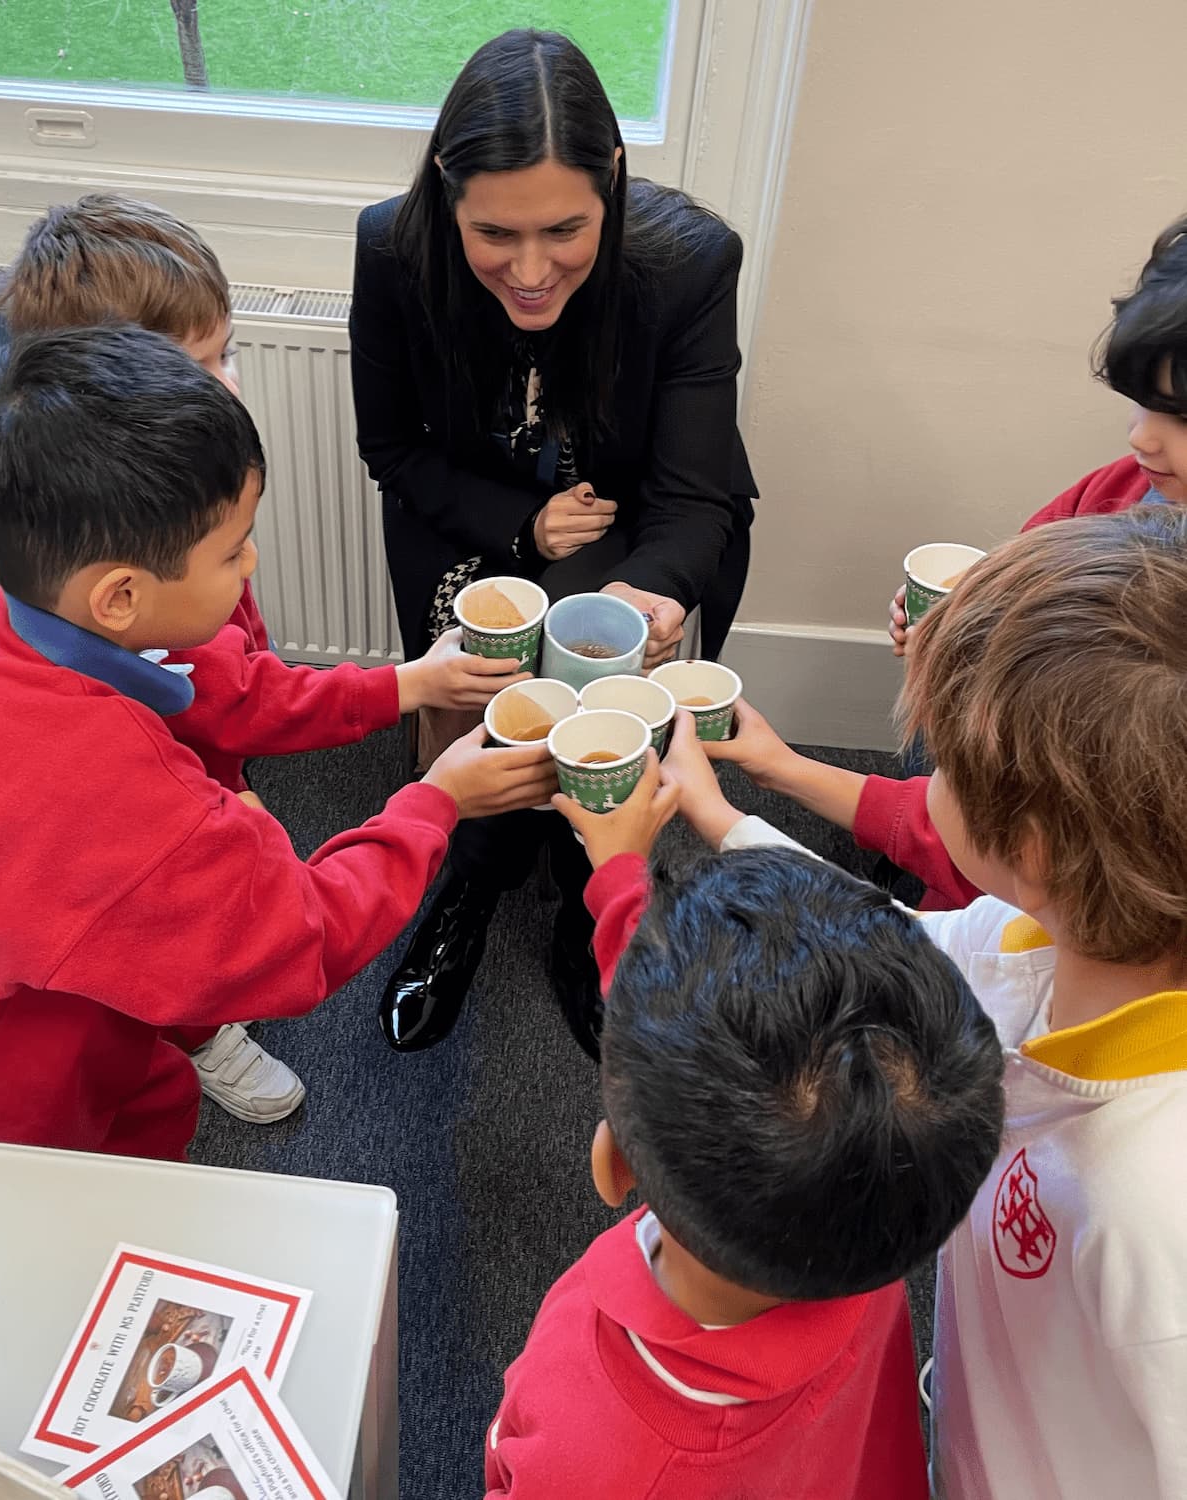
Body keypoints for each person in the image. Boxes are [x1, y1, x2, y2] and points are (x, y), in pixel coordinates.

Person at [0, 325, 555, 1160]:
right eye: (230, 552)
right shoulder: (122, 800)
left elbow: (223, 706)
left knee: (158, 1093)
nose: (250, 563)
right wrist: (436, 801)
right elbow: (304, 940)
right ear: (120, 597)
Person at [666, 506, 1187, 1499]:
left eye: (942, 760)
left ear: (1029, 851)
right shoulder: (1030, 938)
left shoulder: (1153, 1214)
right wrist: (724, 820)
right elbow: (882, 940)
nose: (928, 771)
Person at [0, 192, 530, 1119]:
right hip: (166, 801)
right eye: (199, 368)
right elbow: (302, 923)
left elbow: (236, 685)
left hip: (197, 766)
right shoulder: (152, 630)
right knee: (184, 941)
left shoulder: (120, 547)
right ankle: (203, 1033)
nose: (228, 386)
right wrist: (428, 762)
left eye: (225, 354)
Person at [350, 29, 757, 1055]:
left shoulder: (689, 262)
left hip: (635, 529)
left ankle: (587, 900)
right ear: (447, 192)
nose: (531, 272)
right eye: (494, 233)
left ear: (612, 180)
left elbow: (694, 496)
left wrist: (644, 595)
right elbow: (394, 450)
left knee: (599, 697)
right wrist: (520, 527)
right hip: (469, 517)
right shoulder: (393, 249)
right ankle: (472, 880)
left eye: (566, 230)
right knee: (490, 689)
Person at [480, 758, 1004, 1498]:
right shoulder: (865, 1206)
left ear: (614, 1163)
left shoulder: (593, 1451)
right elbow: (689, 1039)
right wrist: (620, 872)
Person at [738, 212, 1187, 910]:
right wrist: (960, 622)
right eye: (1139, 404)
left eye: (1179, 418)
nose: (1140, 438)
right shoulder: (1122, 490)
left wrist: (771, 782)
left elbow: (999, 860)